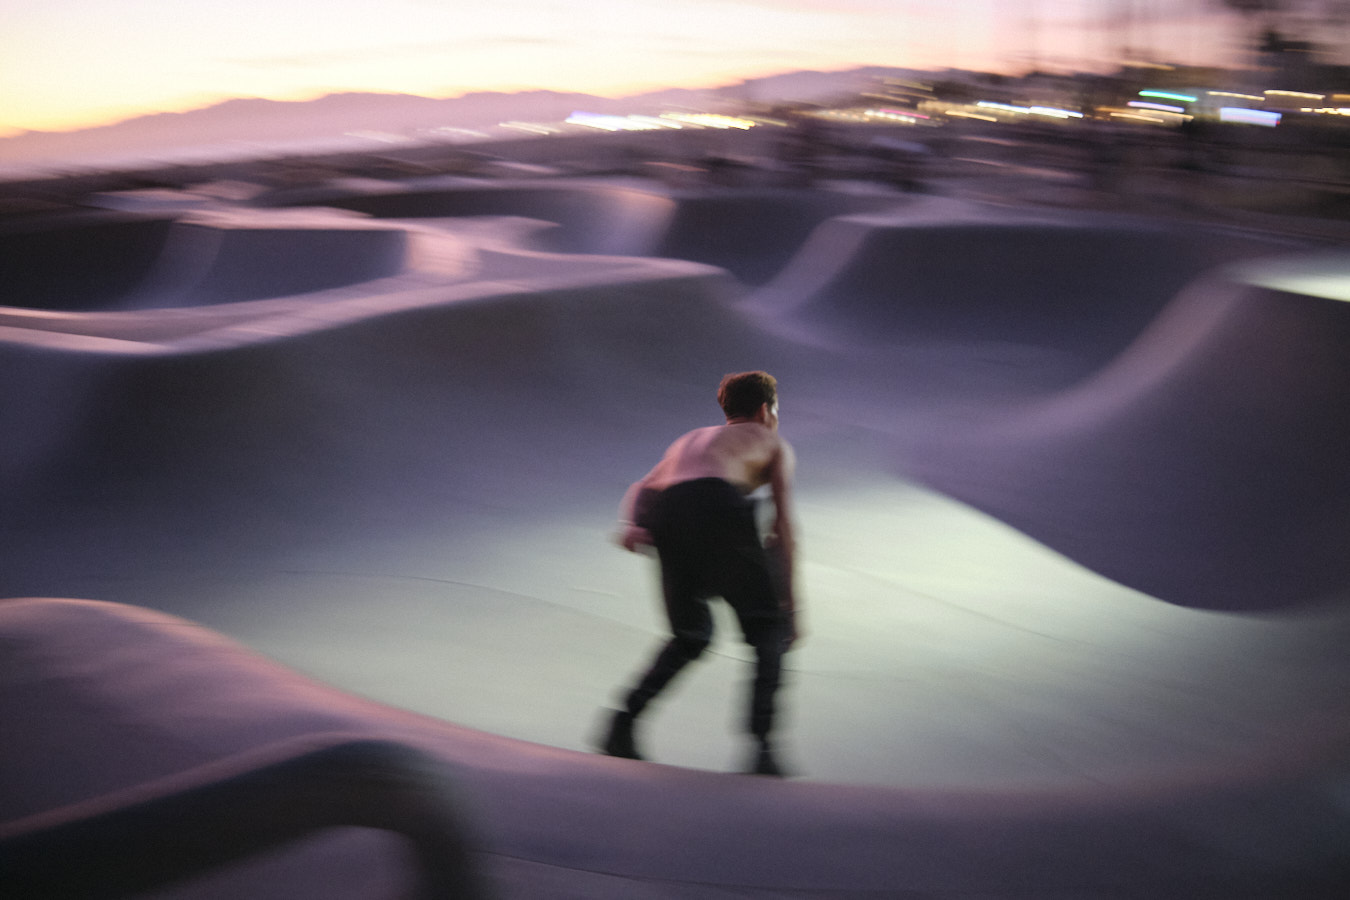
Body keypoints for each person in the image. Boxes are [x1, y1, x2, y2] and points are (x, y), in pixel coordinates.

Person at [598, 371, 799, 776]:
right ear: (766, 410)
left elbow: (644, 487)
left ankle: (622, 723)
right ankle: (762, 749)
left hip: (669, 512)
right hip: (719, 504)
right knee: (767, 632)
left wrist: (633, 524)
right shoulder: (773, 441)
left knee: (690, 636)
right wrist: (790, 605)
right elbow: (783, 529)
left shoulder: (689, 439)